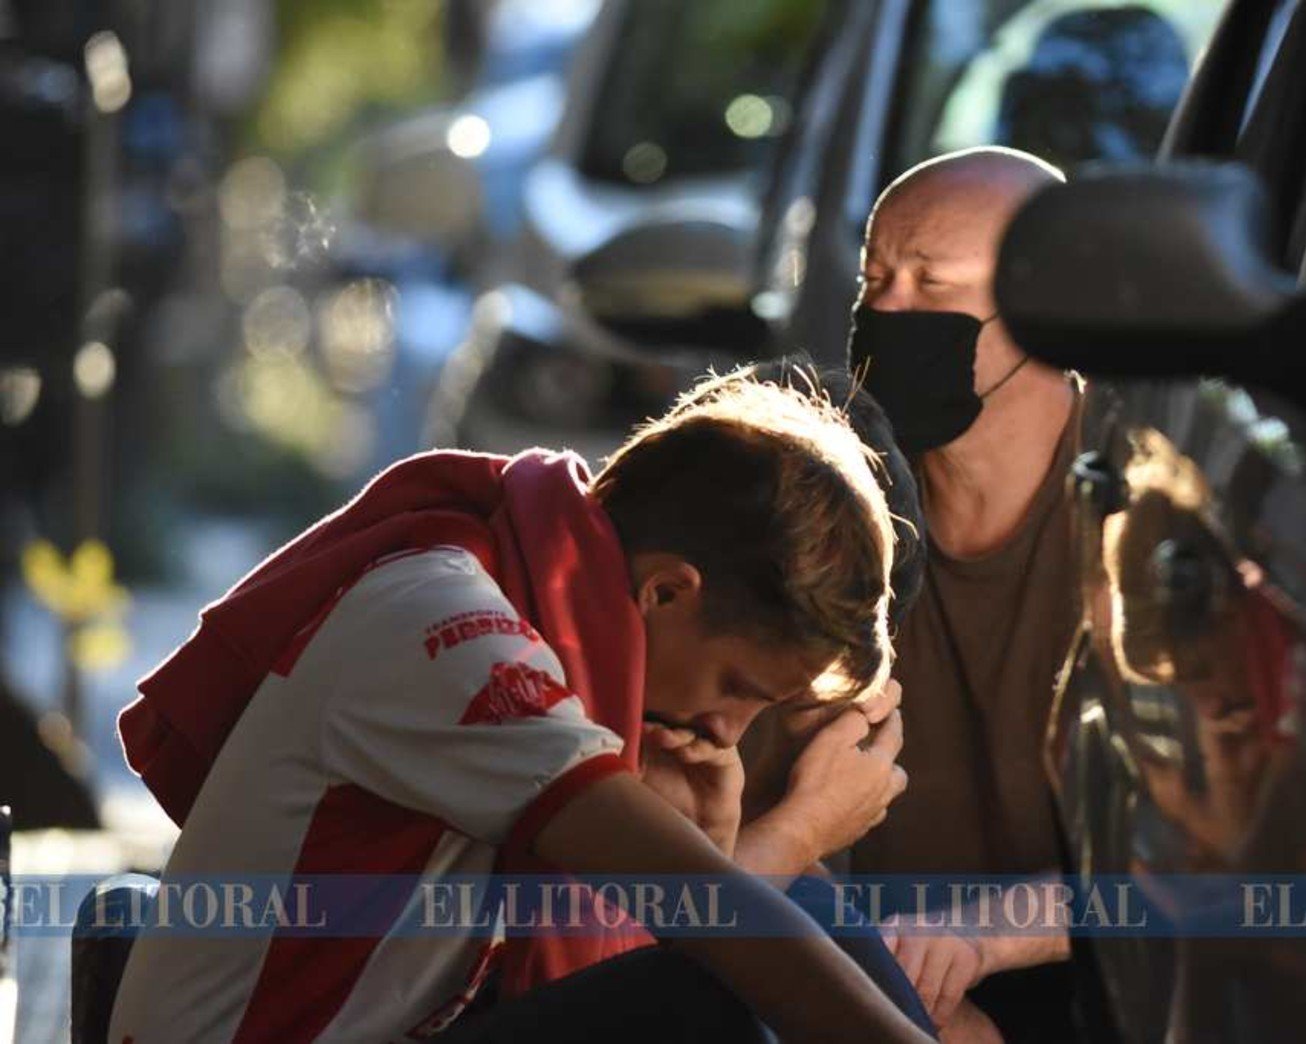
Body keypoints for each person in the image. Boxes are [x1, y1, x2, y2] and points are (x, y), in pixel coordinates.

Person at [109, 368, 935, 1043]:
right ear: (665, 592)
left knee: (796, 910)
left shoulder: (536, 591)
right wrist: (786, 835)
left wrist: (716, 837)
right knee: (708, 992)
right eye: (737, 688)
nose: (726, 731)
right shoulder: (451, 628)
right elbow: (711, 925)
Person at [848, 146, 1083, 1042]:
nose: (886, 310)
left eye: (932, 283)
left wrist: (979, 939)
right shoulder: (839, 511)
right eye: (873, 278)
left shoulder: (1144, 522)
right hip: (902, 994)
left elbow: (1216, 861)